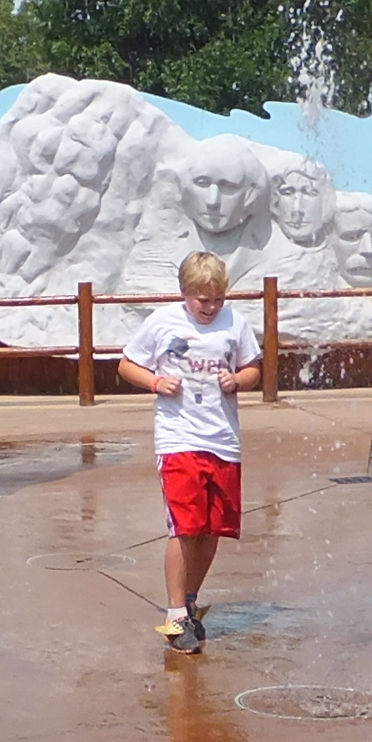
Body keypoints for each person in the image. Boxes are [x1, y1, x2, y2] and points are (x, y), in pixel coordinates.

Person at [115, 252, 264, 656]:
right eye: (203, 300)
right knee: (184, 525)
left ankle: (191, 599)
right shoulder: (163, 322)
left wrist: (238, 380)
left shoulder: (235, 323)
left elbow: (253, 368)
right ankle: (175, 615)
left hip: (223, 440)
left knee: (212, 527)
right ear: (184, 293)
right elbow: (127, 365)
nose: (211, 307)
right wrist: (156, 382)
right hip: (179, 438)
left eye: (217, 299)